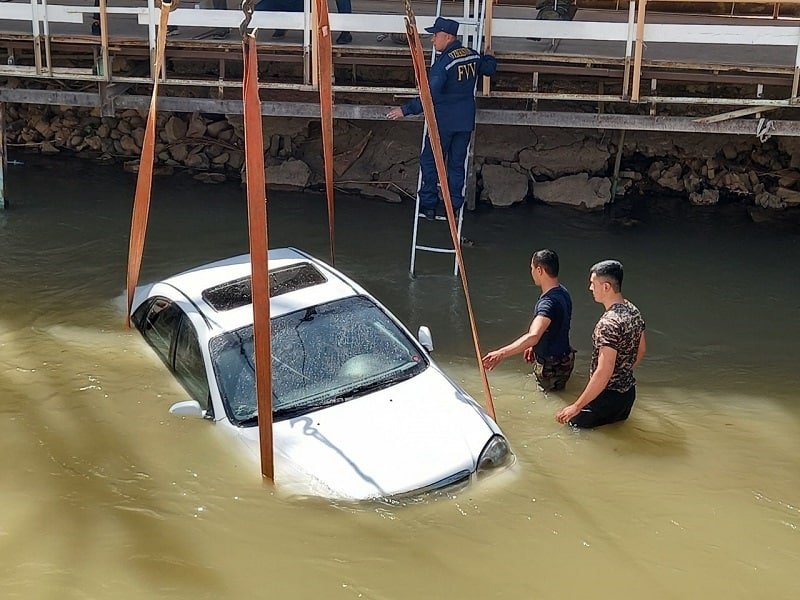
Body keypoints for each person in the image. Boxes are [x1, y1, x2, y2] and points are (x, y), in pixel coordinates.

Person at [387, 17, 496, 220]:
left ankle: (428, 205)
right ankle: (453, 205)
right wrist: (490, 56)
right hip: (464, 121)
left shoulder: (443, 64)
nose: (432, 40)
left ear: (447, 36)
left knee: (430, 161)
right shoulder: (471, 56)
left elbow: (429, 96)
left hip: (443, 122)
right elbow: (488, 69)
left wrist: (405, 110)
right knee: (456, 164)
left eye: (435, 35)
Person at [556, 260, 646, 428]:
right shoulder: (633, 310)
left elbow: (604, 371)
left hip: (604, 399)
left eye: (593, 283)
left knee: (570, 430)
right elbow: (641, 349)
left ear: (606, 287)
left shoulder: (608, 324)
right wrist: (623, 373)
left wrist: (576, 406)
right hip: (627, 396)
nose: (590, 288)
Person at [482, 249, 574, 391]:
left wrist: (501, 353)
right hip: (565, 358)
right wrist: (532, 346)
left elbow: (533, 335)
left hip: (551, 366)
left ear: (539, 270)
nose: (531, 272)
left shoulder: (547, 303)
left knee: (549, 396)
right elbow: (555, 324)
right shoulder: (563, 292)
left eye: (532, 268)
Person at [255, 0, 353, 44]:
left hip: (308, 5)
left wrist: (346, 26)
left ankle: (346, 32)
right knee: (256, 13)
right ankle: (282, 25)